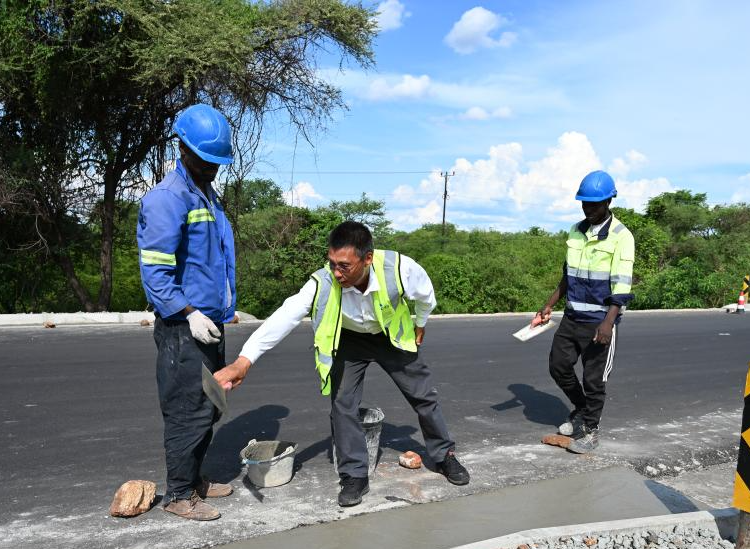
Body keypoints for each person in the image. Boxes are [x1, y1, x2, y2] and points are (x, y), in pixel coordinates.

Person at [214, 221, 470, 507]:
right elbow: (285, 316)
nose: (336, 273)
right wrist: (244, 361)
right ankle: (354, 475)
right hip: (349, 340)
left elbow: (426, 296)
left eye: (344, 266)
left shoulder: (400, 268)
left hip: (389, 336)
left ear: (367, 259)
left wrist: (420, 323)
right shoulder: (323, 281)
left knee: (423, 396)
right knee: (342, 405)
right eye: (332, 263)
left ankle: (444, 456)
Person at [136, 103, 237, 521]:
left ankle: (194, 479)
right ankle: (179, 495)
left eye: (217, 161)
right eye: (205, 159)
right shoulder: (167, 199)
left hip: (209, 321)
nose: (212, 168)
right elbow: (156, 273)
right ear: (184, 149)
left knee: (210, 404)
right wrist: (190, 312)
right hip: (183, 328)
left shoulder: (206, 195)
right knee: (186, 408)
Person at [531, 170, 634, 453]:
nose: (589, 209)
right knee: (558, 366)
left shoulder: (621, 237)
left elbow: (622, 285)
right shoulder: (575, 231)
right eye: (585, 204)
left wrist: (608, 323)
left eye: (595, 204)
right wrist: (550, 303)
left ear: (609, 202)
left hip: (600, 321)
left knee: (594, 379)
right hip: (572, 316)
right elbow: (568, 275)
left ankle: (590, 430)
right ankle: (581, 409)